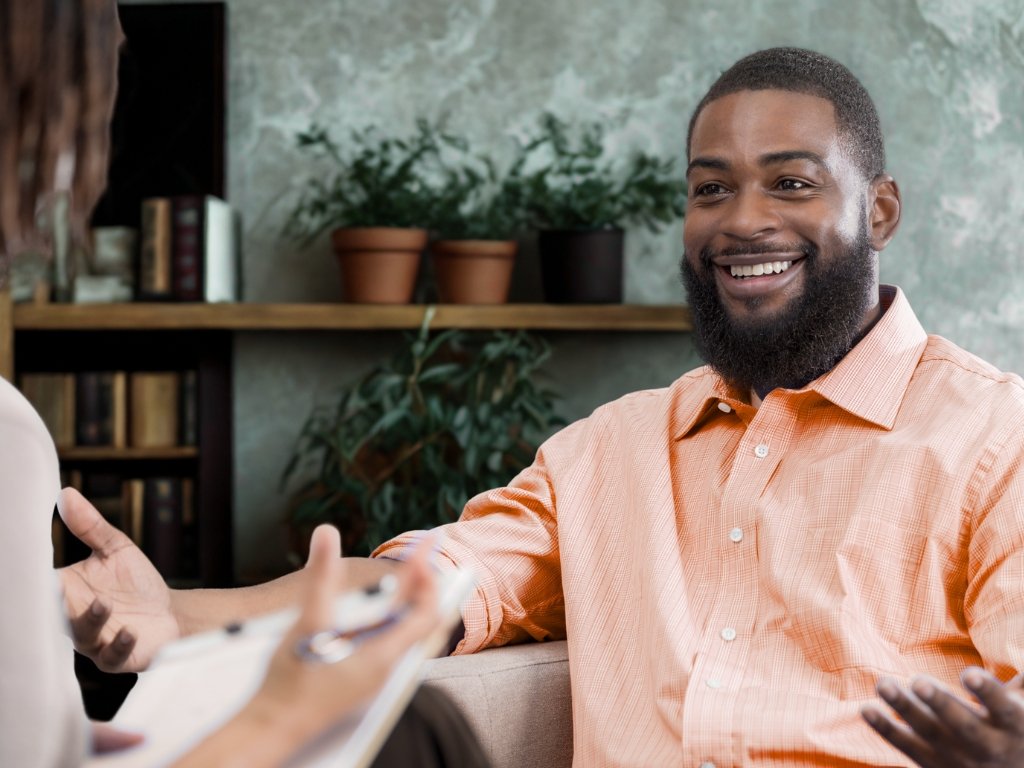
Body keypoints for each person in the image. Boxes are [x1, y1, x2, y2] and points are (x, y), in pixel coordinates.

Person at [60, 46, 1024, 767]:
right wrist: (171, 615)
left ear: (881, 210)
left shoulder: (994, 440)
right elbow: (421, 590)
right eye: (709, 188)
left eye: (792, 183)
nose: (742, 220)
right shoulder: (611, 451)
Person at [0, 2, 474, 767]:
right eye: (95, 88)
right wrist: (282, 717)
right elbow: (459, 571)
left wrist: (59, 718)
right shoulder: (6, 437)